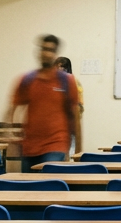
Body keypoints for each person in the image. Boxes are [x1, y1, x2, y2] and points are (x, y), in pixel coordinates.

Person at [5, 35, 82, 172]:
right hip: (30, 147)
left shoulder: (67, 81)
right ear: (39, 52)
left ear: (55, 54)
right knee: (28, 185)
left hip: (56, 145)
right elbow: (12, 108)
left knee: (48, 181)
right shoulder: (27, 80)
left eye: (51, 50)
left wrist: (78, 151)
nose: (46, 53)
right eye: (44, 49)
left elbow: (75, 116)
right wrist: (9, 131)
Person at [55, 56, 84, 154]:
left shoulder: (74, 81)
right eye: (57, 67)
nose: (60, 69)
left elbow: (79, 104)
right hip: (56, 122)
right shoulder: (51, 83)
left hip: (70, 120)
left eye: (63, 67)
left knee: (71, 149)